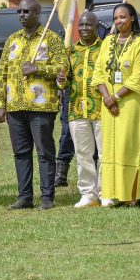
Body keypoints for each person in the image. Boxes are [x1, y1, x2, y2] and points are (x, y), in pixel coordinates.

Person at [0, 0, 67, 210]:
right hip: (15, 106)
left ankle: (47, 196)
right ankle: (24, 196)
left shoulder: (51, 39)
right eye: (20, 12)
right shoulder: (12, 40)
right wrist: (1, 103)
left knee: (44, 152)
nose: (22, 15)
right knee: (21, 153)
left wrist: (39, 69)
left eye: (27, 12)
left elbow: (63, 68)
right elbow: (2, 72)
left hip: (41, 107)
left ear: (38, 14)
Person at [92, 2, 140, 207]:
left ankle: (132, 197)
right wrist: (107, 98)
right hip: (109, 106)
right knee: (110, 149)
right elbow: (98, 72)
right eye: (116, 18)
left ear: (132, 18)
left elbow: (138, 77)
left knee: (129, 148)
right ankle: (114, 194)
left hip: (131, 104)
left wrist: (115, 98)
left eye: (123, 17)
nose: (119, 21)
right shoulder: (108, 41)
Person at [57, 11, 104, 208]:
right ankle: (88, 194)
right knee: (83, 154)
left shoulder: (105, 48)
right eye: (81, 25)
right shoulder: (70, 52)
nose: (84, 28)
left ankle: (105, 192)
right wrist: (60, 81)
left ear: (96, 27)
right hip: (77, 110)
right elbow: (63, 82)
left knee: (104, 154)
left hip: (102, 109)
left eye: (89, 25)